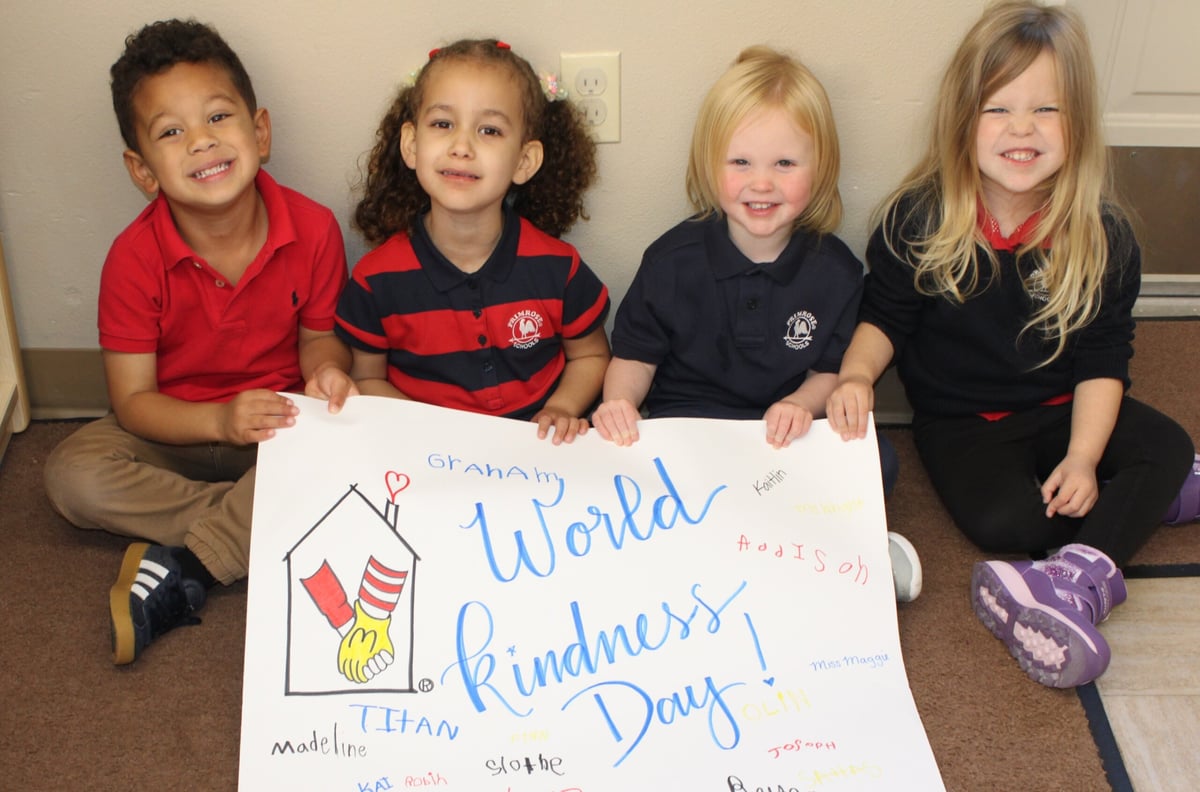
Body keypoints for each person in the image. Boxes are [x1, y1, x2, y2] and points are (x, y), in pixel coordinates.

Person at [825, 1, 1196, 688]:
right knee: (1007, 524)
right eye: (998, 108)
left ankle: (1070, 583)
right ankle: (1154, 501)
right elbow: (885, 319)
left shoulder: (1103, 235)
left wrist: (1085, 456)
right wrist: (855, 377)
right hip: (962, 423)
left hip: (1066, 406)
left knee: (1168, 444)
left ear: (1078, 125)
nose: (1022, 129)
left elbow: (1105, 358)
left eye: (1046, 110)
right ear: (962, 121)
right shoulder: (917, 218)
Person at [42, 19, 356, 665]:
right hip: (175, 432)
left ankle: (196, 559)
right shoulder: (133, 258)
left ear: (259, 132)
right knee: (71, 478)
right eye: (171, 132)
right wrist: (217, 419)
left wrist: (325, 371)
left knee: (348, 442)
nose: (201, 141)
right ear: (142, 169)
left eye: (217, 117)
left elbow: (320, 340)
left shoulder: (315, 228)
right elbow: (134, 403)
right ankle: (270, 520)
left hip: (276, 429)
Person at [591, 46, 922, 603]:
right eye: (740, 162)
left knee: (876, 458)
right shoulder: (670, 261)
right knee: (613, 468)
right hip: (689, 437)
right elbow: (634, 358)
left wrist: (802, 404)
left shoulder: (836, 271)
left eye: (785, 164)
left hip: (781, 437)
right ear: (709, 165)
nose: (761, 183)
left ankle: (845, 556)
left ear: (820, 169)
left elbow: (828, 372)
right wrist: (618, 403)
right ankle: (789, 551)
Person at [335, 39, 610, 444]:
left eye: (489, 130)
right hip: (429, 455)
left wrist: (563, 407)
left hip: (537, 455)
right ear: (411, 145)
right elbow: (366, 378)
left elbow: (591, 354)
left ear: (524, 161)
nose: (461, 147)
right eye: (443, 124)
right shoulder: (376, 280)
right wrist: (429, 431)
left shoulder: (558, 268)